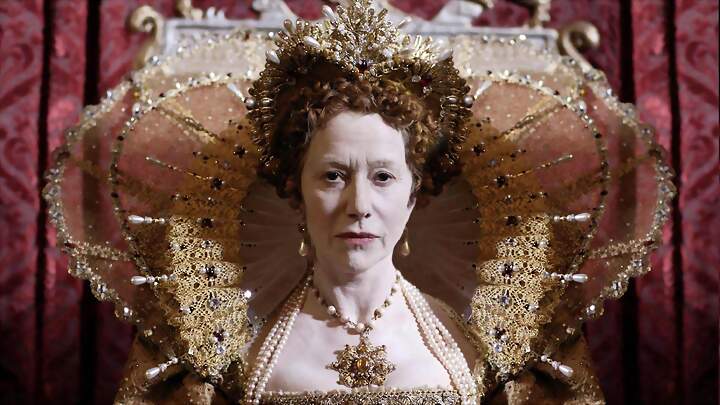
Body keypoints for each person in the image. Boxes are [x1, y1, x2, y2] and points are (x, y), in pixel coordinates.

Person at [44, 1, 674, 403]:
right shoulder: (224, 351)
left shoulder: (483, 346)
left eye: (383, 177)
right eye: (332, 176)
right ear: (294, 191)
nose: (358, 204)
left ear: (415, 194)